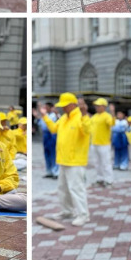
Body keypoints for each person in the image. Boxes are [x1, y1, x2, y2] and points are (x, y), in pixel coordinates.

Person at [37, 93, 91, 227]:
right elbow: (53, 129)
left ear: (72, 104)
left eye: (65, 106)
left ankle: (83, 215)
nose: (63, 108)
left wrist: (84, 115)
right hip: (63, 159)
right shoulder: (64, 118)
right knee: (63, 188)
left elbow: (87, 130)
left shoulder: (80, 117)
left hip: (75, 161)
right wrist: (44, 115)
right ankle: (67, 211)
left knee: (76, 189)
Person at [89, 98, 114, 186]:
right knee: (97, 163)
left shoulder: (107, 116)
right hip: (94, 143)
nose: (97, 107)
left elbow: (112, 124)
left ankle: (109, 180)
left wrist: (113, 113)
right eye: (96, 106)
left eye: (98, 106)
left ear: (104, 106)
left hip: (104, 144)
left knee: (106, 162)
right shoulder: (94, 117)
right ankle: (99, 179)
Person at [37, 103, 59, 179]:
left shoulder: (54, 115)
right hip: (45, 135)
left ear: (51, 107)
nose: (45, 109)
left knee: (53, 153)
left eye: (46, 107)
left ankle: (55, 172)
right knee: (47, 153)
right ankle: (48, 171)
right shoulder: (45, 115)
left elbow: (55, 123)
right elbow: (40, 124)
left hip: (52, 135)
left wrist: (56, 114)